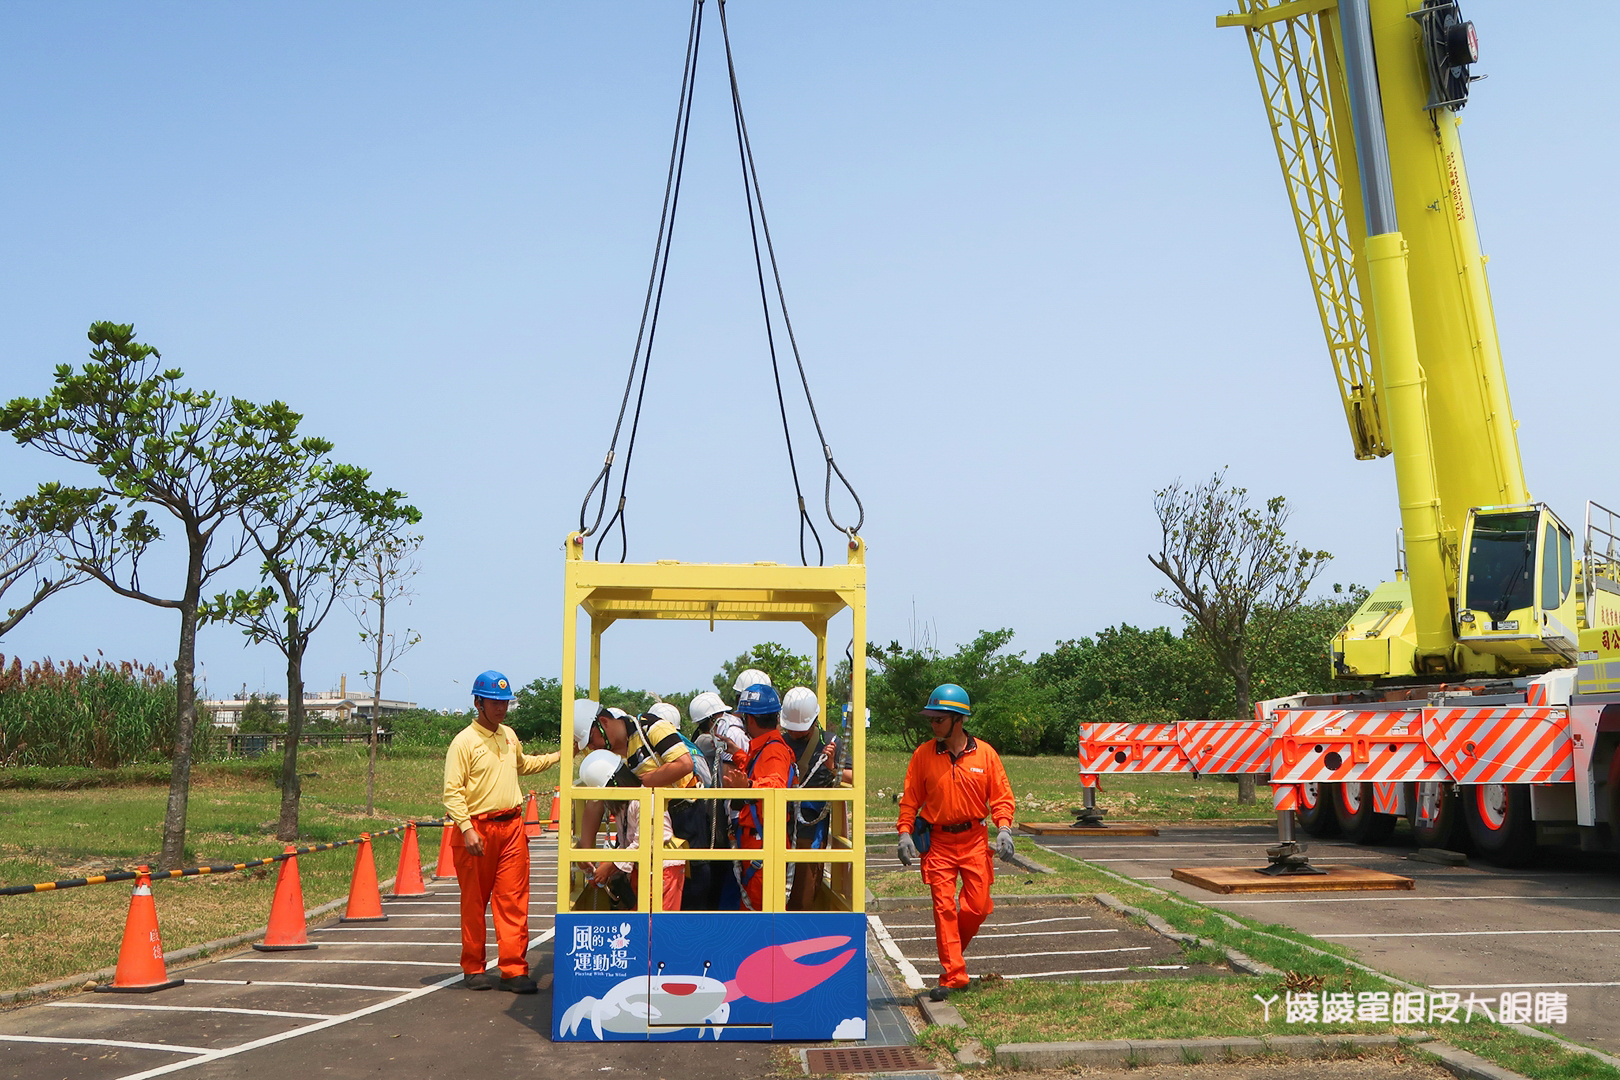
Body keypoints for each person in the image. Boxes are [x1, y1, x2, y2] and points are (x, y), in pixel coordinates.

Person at [895, 683, 1016, 1000]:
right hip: (938, 843)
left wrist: (1004, 828)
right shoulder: (923, 755)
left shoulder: (986, 755)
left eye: (938, 719)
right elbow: (910, 800)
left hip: (975, 839)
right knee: (944, 908)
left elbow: (1002, 797)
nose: (933, 725)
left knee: (977, 906)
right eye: (931, 719)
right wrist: (905, 832)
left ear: (957, 719)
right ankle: (954, 975)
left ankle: (952, 960)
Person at [442, 670, 560, 993]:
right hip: (477, 829)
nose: (500, 708)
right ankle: (474, 967)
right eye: (494, 702)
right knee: (475, 902)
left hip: (511, 827)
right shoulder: (463, 742)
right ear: (478, 702)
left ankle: (513, 969)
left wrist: (560, 757)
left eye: (504, 702)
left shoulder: (509, 735)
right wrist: (466, 828)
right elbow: (452, 792)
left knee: (513, 900)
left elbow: (524, 764)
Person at [574, 698, 709, 908]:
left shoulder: (651, 727)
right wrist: (586, 850)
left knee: (695, 889)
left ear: (603, 722)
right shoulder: (604, 755)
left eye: (590, 739)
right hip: (644, 826)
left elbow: (684, 764)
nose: (590, 747)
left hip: (684, 815)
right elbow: (595, 800)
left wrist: (644, 785)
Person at [577, 748, 686, 913]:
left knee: (658, 921)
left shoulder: (644, 799)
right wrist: (605, 869)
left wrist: (612, 865)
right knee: (643, 919)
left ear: (613, 785)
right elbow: (628, 842)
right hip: (644, 867)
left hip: (663, 867)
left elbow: (646, 841)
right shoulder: (625, 805)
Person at [722, 683, 796, 912]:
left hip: (763, 841)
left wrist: (750, 785)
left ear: (750, 720)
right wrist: (738, 754)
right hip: (758, 839)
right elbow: (759, 770)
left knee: (760, 911)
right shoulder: (765, 748)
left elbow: (775, 783)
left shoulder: (773, 750)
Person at [780, 686, 841, 910]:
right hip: (781, 824)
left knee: (803, 891)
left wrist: (831, 766)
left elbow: (851, 777)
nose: (794, 733)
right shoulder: (779, 741)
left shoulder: (829, 742)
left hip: (810, 826)